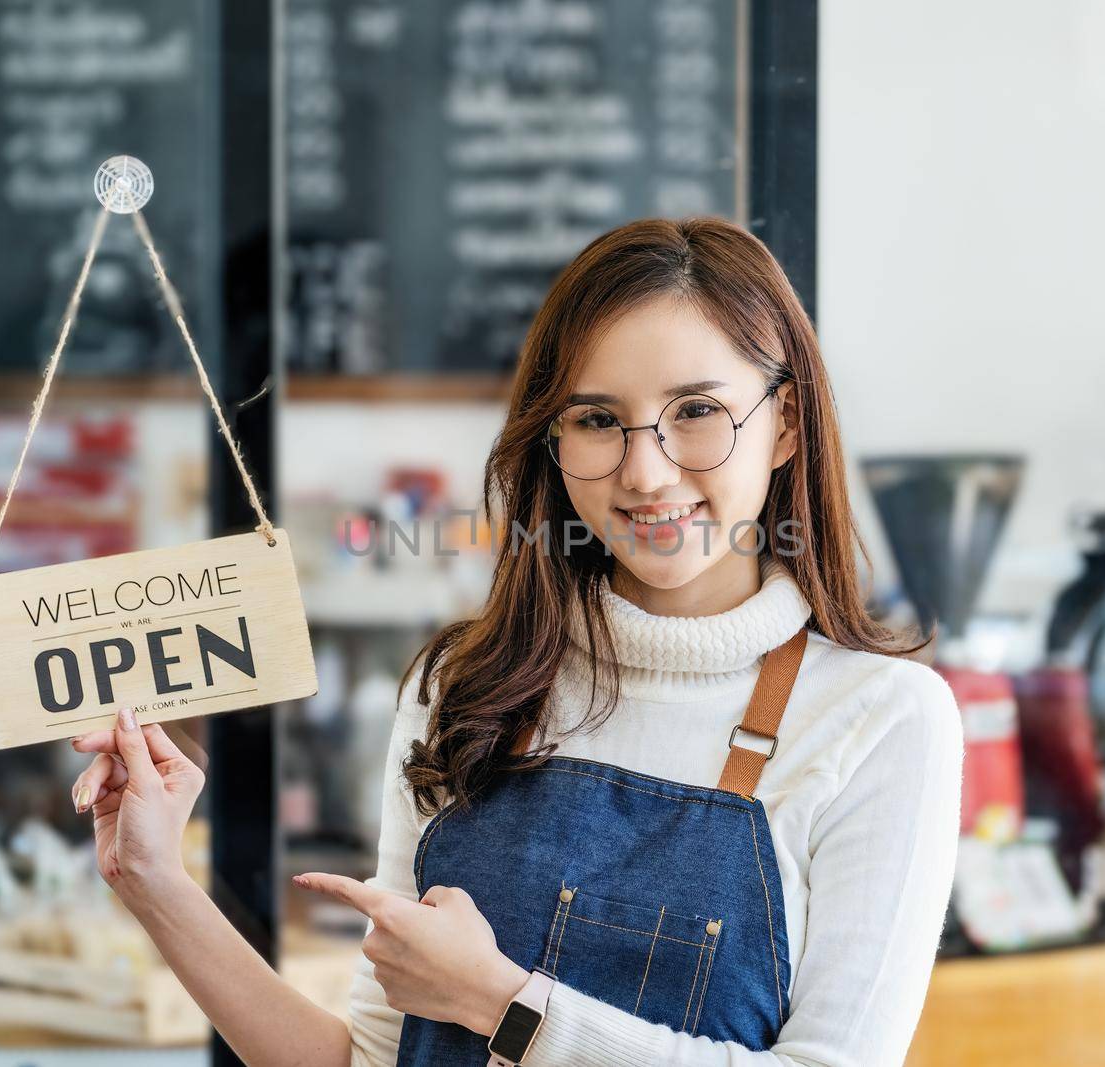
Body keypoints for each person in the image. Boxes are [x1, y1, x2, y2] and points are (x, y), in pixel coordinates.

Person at [68, 217, 964, 1066]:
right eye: (597, 420)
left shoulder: (879, 717)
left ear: (787, 425)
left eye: (697, 410)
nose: (646, 472)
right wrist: (153, 878)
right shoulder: (466, 686)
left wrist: (504, 1003)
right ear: (553, 439)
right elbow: (379, 1060)